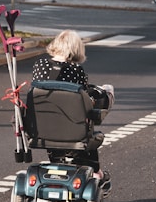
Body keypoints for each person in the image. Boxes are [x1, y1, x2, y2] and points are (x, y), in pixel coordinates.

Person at [31, 30, 114, 179]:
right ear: (76, 49)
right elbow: (83, 97)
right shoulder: (77, 70)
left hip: (43, 128)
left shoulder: (40, 64)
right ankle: (96, 173)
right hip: (72, 129)